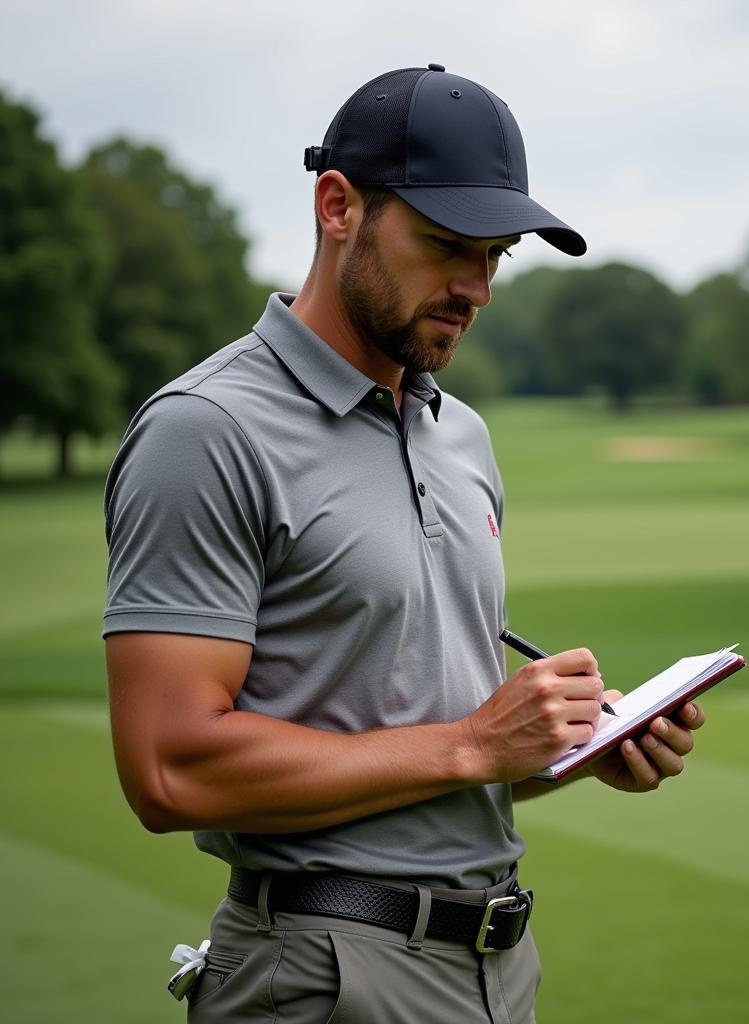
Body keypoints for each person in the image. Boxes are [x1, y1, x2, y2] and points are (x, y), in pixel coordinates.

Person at [103, 63, 705, 1024]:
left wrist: (559, 747)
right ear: (338, 207)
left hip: (496, 969)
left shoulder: (458, 433)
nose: (477, 287)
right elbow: (171, 769)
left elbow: (426, 752)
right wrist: (473, 742)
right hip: (321, 973)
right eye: (445, 245)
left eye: (497, 254)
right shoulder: (206, 430)